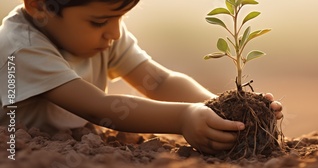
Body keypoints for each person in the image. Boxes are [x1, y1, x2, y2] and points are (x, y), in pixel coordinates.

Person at [0, 0, 283, 154]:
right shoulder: (21, 47)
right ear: (38, 7)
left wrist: (220, 109)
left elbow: (159, 81)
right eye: (98, 21)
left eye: (120, 18)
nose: (113, 32)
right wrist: (183, 119)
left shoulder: (104, 36)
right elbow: (97, 107)